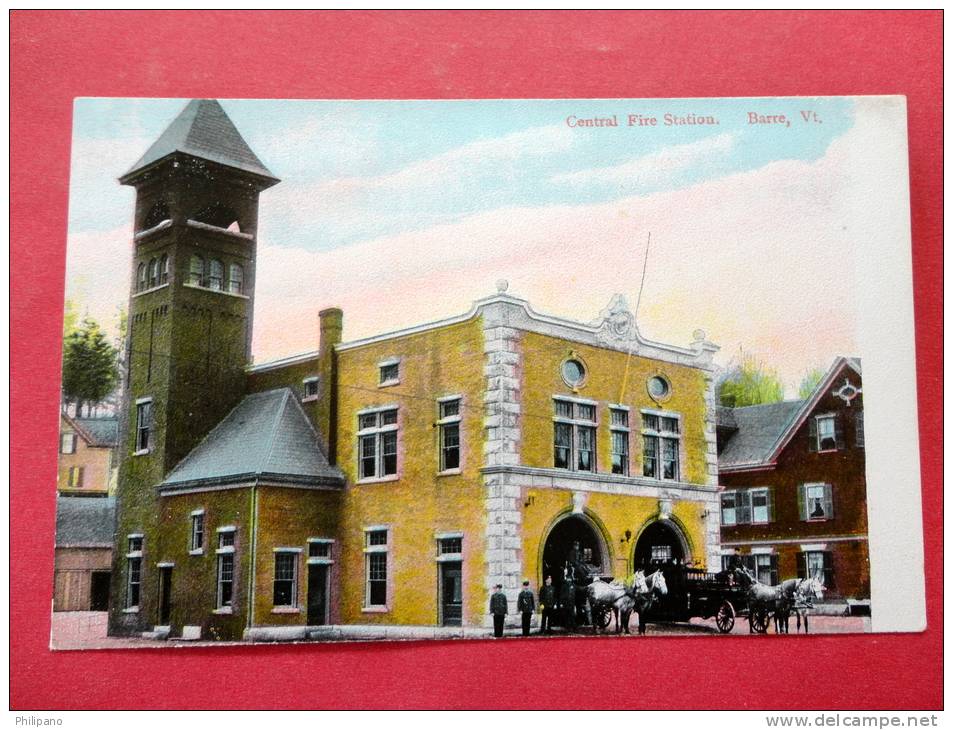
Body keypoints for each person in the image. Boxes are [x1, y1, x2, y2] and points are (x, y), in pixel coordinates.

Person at [559, 567, 577, 631]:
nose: (569, 580)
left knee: (572, 616)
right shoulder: (564, 586)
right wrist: (561, 603)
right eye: (568, 579)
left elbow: (579, 589)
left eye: (570, 579)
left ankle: (574, 627)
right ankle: (567, 628)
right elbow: (561, 595)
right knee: (566, 616)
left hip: (572, 603)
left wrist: (587, 588)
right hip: (566, 603)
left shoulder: (573, 585)